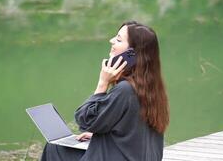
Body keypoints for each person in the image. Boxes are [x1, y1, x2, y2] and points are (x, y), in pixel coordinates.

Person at [41, 21, 170, 161]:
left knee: (53, 149)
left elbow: (85, 120)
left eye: (119, 39)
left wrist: (102, 83)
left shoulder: (125, 90)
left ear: (132, 54)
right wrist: (103, 137)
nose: (112, 40)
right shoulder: (153, 88)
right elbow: (134, 132)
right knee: (56, 147)